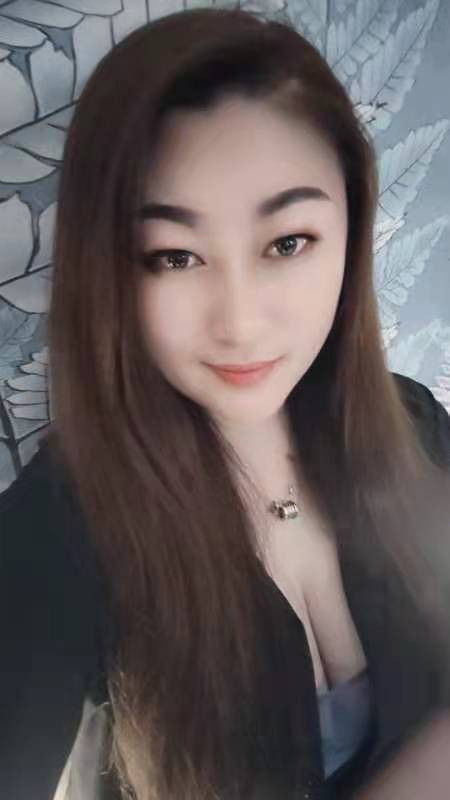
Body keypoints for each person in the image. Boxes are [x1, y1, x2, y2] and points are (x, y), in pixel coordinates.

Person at [1, 6, 449, 800]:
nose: (240, 322)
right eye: (174, 256)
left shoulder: (411, 422)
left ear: (351, 229)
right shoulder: (61, 525)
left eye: (287, 243)